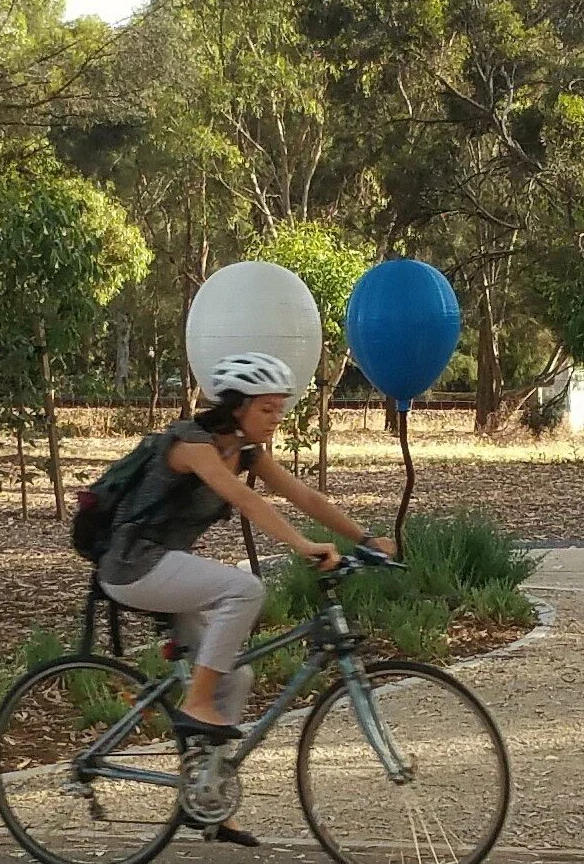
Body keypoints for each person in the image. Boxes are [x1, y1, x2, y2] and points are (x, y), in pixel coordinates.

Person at [96, 352, 395, 847]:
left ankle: (210, 800)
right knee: (244, 587)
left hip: (164, 566)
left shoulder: (248, 450)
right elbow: (245, 500)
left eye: (281, 408)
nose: (277, 418)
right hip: (133, 567)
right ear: (236, 407)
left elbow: (308, 498)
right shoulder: (191, 444)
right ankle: (195, 701)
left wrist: (365, 537)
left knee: (236, 678)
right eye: (267, 409)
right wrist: (302, 546)